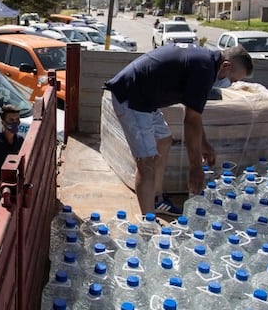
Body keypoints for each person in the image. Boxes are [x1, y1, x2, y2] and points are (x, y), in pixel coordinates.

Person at [104, 44, 254, 216]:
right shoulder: (204, 69)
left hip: (147, 98)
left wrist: (203, 143)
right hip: (133, 97)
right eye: (233, 80)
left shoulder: (205, 63)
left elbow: (193, 114)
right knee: (146, 163)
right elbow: (190, 120)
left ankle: (156, 199)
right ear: (226, 66)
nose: (230, 84)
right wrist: (195, 167)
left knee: (163, 140)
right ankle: (148, 222)